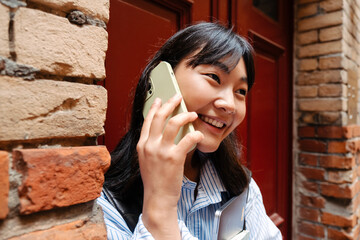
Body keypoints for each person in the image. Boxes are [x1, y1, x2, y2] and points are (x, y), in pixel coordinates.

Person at [97, 22, 282, 240]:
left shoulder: (243, 188)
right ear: (160, 80)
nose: (230, 104)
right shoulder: (103, 204)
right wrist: (160, 206)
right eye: (214, 77)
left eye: (240, 91)